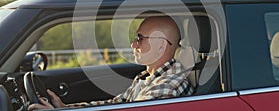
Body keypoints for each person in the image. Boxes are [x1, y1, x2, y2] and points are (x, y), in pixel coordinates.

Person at [28, 16, 194, 110]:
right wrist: (66, 108)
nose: (133, 44)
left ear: (161, 46)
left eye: (140, 39)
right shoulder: (149, 77)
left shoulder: (167, 86)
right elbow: (116, 104)